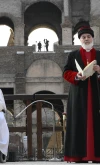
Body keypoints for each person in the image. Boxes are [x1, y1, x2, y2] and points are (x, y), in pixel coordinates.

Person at [63, 25, 100, 163]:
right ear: (80, 40)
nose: (86, 39)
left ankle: (96, 156)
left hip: (97, 94)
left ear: (92, 38)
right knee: (78, 122)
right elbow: (66, 72)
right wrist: (77, 75)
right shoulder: (73, 55)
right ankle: (78, 155)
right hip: (79, 95)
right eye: (83, 37)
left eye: (88, 37)